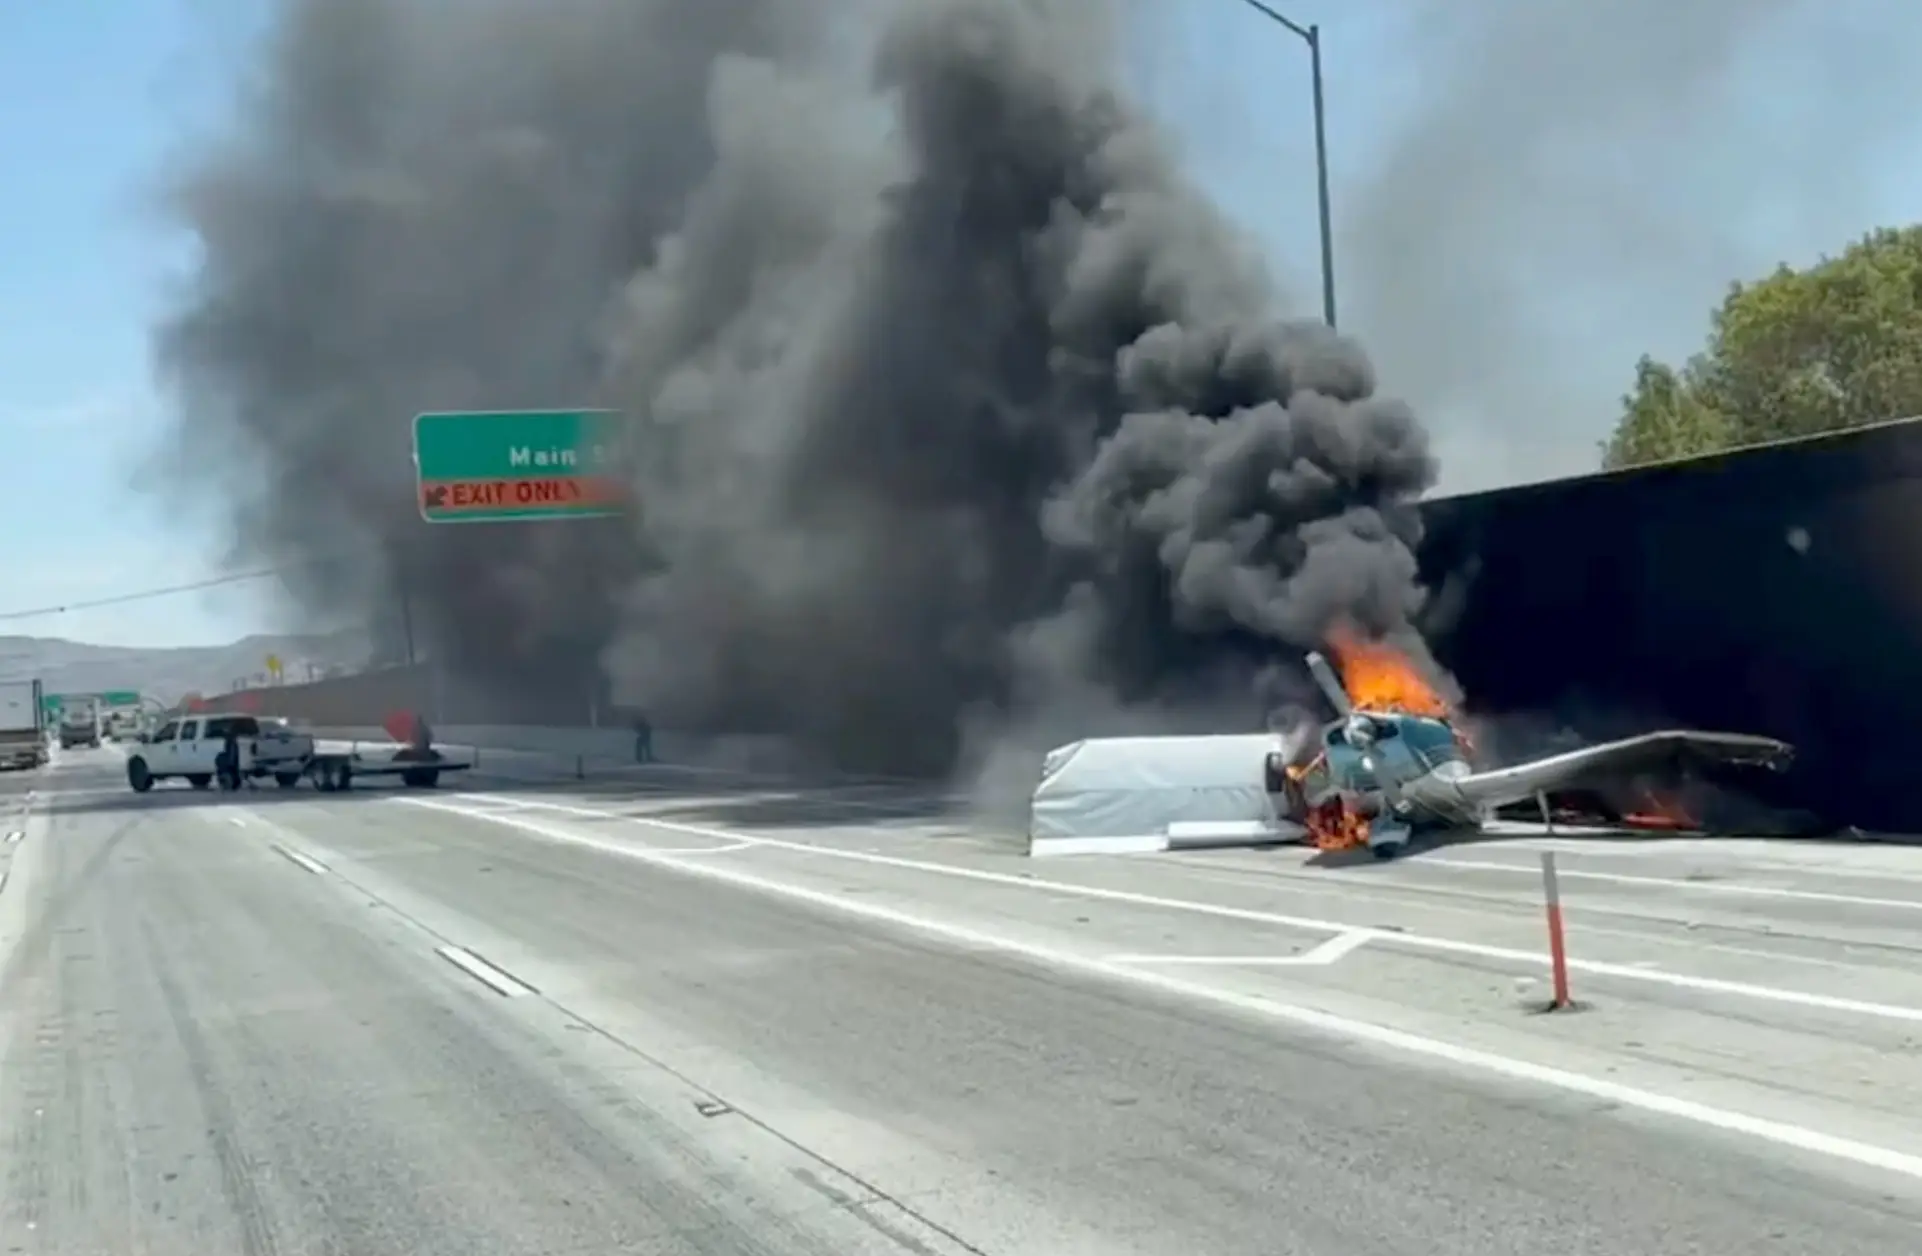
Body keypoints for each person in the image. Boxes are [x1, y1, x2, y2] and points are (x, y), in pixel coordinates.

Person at [217, 724, 243, 791]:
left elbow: (232, 751)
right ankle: (234, 784)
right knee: (233, 772)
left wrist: (231, 761)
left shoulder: (230, 741)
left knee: (232, 772)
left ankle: (233, 784)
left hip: (231, 760)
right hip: (232, 760)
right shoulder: (231, 741)